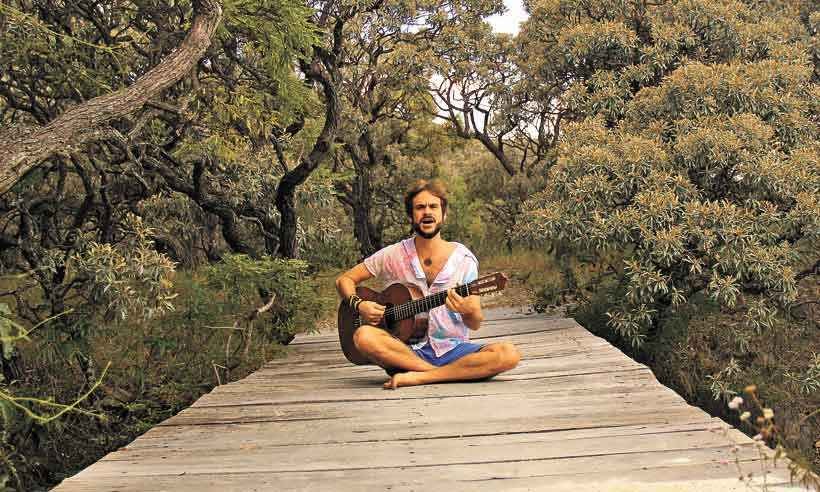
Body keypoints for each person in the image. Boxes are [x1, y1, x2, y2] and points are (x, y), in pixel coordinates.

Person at [335, 179, 520, 389]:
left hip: (453, 350)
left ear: (444, 214)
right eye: (420, 207)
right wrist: (359, 305)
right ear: (411, 215)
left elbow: (474, 323)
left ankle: (421, 376)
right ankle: (443, 373)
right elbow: (345, 279)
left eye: (433, 206)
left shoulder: (463, 260)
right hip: (404, 353)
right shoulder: (393, 255)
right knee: (363, 335)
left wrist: (468, 311)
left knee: (508, 354)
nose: (427, 212)